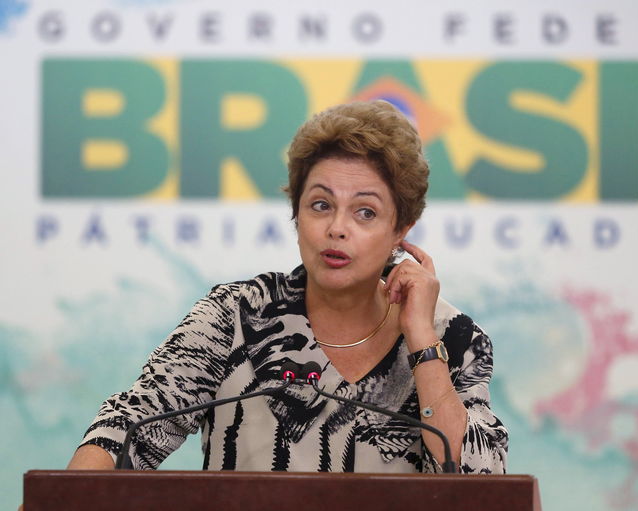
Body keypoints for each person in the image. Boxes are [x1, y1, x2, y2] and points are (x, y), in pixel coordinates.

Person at [67, 100, 508, 474]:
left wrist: (423, 343)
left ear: (401, 230)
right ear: (297, 216)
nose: (337, 228)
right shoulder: (236, 315)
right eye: (320, 205)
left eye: (365, 213)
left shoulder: (456, 339)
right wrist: (63, 500)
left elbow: (480, 482)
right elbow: (129, 424)